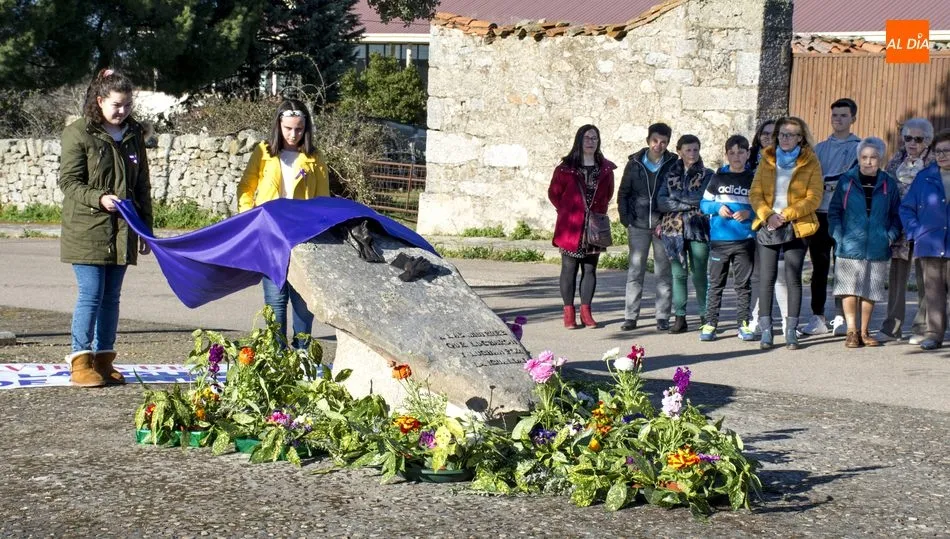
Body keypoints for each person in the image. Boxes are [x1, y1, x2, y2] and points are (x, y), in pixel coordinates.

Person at [58, 68, 153, 387]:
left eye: (127, 105)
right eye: (116, 105)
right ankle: (80, 361)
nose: (122, 111)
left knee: (112, 297)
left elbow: (142, 186)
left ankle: (104, 359)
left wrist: (145, 229)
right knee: (91, 293)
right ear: (99, 101)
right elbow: (69, 182)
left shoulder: (134, 134)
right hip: (87, 229)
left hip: (124, 230)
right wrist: (100, 198)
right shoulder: (78, 133)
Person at [237, 99, 329, 349]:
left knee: (302, 302)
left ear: (306, 128)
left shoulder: (315, 157)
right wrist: (248, 215)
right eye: (288, 128)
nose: (293, 134)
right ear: (278, 126)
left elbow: (323, 200)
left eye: (298, 129)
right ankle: (278, 358)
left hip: (303, 237)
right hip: (270, 235)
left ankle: (302, 357)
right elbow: (246, 187)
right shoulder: (263, 151)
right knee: (276, 301)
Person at [749, 117, 823, 350]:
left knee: (793, 278)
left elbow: (814, 197)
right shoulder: (767, 158)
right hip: (768, 222)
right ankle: (766, 330)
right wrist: (767, 214)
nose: (785, 138)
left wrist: (787, 214)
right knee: (766, 278)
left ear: (800, 137)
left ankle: (790, 330)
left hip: (796, 224)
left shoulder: (810, 161)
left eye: (791, 134)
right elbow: (755, 193)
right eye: (782, 134)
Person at [827, 138, 902, 348]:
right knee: (849, 288)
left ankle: (865, 331)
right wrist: (838, 235)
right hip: (849, 245)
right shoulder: (846, 181)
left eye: (874, 157)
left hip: (877, 246)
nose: (869, 161)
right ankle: (851, 331)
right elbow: (834, 212)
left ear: (881, 159)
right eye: (864, 157)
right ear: (858, 158)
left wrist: (890, 236)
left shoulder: (888, 183)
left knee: (871, 290)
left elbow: (896, 215)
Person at [801, 98, 861, 338]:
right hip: (820, 214)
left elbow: (853, 178)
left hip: (845, 216)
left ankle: (842, 317)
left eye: (843, 115)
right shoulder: (821, 149)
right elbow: (813, 178)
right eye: (835, 115)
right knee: (819, 267)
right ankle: (818, 316)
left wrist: (833, 183)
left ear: (853, 119)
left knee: (844, 267)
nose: (838, 119)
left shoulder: (859, 147)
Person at [548, 125, 616, 329]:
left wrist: (596, 213)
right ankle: (569, 312)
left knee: (590, 269)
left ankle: (586, 311)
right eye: (587, 137)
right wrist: (568, 211)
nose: (591, 141)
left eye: (594, 138)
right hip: (571, 226)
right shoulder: (565, 168)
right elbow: (554, 193)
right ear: (579, 140)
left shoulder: (604, 168)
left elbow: (608, 194)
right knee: (569, 269)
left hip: (594, 225)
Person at [875, 118, 935, 344]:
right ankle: (892, 327)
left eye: (917, 139)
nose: (911, 143)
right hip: (899, 227)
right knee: (897, 278)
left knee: (925, 277)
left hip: (924, 227)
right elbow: (886, 189)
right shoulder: (896, 159)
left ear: (927, 141)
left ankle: (922, 327)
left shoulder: (933, 163)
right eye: (908, 138)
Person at [617, 123, 676, 331]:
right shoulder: (634, 163)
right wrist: (627, 219)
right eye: (655, 141)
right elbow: (623, 192)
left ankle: (662, 316)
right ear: (648, 140)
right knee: (635, 270)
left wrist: (667, 220)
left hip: (662, 225)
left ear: (668, 143)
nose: (658, 145)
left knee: (663, 272)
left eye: (663, 142)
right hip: (638, 224)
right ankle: (630, 317)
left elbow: (674, 193)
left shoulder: (673, 163)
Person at [700, 135, 756, 341]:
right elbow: (704, 204)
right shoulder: (717, 178)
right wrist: (717, 207)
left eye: (741, 152)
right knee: (715, 284)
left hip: (744, 241)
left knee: (743, 285)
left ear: (748, 154)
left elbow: (761, 207)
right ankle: (710, 324)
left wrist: (749, 213)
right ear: (726, 155)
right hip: (719, 241)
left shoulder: (754, 179)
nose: (736, 156)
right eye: (731, 153)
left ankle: (743, 324)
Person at [899, 128, 950, 351]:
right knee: (933, 292)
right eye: (938, 151)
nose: (942, 155)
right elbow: (906, 208)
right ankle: (933, 334)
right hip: (930, 243)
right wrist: (916, 231)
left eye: (947, 150)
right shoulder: (924, 177)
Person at [656, 134, 713, 333]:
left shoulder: (707, 174)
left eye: (695, 150)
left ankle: (706, 316)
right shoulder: (670, 173)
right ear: (679, 151)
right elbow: (661, 202)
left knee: (699, 275)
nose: (692, 154)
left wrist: (678, 201)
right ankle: (680, 318)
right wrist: (686, 203)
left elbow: (701, 199)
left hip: (698, 228)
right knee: (678, 275)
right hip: (673, 230)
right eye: (688, 150)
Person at [747, 119, 791, 339]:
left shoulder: (784, 159)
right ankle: (757, 319)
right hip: (751, 222)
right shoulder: (749, 159)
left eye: (771, 133)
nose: (767, 136)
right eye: (763, 133)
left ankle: (786, 321)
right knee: (758, 276)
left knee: (780, 275)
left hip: (776, 222)